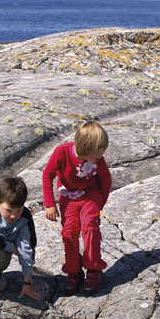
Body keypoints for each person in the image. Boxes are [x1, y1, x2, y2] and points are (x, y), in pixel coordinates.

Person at [42, 121, 112, 296]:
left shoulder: (98, 161)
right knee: (69, 231)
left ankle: (93, 269)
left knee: (90, 227)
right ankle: (74, 271)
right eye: (98, 151)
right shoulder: (62, 152)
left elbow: (106, 180)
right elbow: (47, 175)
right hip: (69, 196)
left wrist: (99, 203)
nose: (101, 155)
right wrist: (50, 204)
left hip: (91, 195)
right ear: (85, 147)